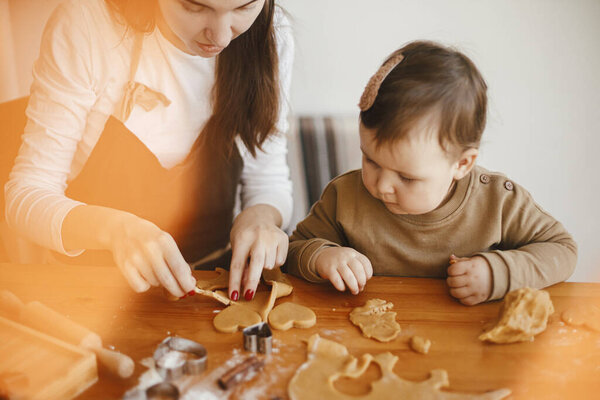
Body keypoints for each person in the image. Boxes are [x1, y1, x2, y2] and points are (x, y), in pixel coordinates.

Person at [4, 0, 294, 301]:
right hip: (89, 295)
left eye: (244, 7)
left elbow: (268, 181)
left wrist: (260, 216)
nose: (220, 37)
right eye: (194, 6)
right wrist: (115, 230)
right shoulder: (89, 26)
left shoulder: (272, 33)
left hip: (211, 290)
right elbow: (26, 196)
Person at [286, 41, 577, 305]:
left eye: (407, 177)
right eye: (371, 160)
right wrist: (321, 256)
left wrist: (498, 273)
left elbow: (562, 250)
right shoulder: (344, 196)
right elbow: (292, 250)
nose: (382, 185)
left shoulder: (498, 203)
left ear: (462, 164)